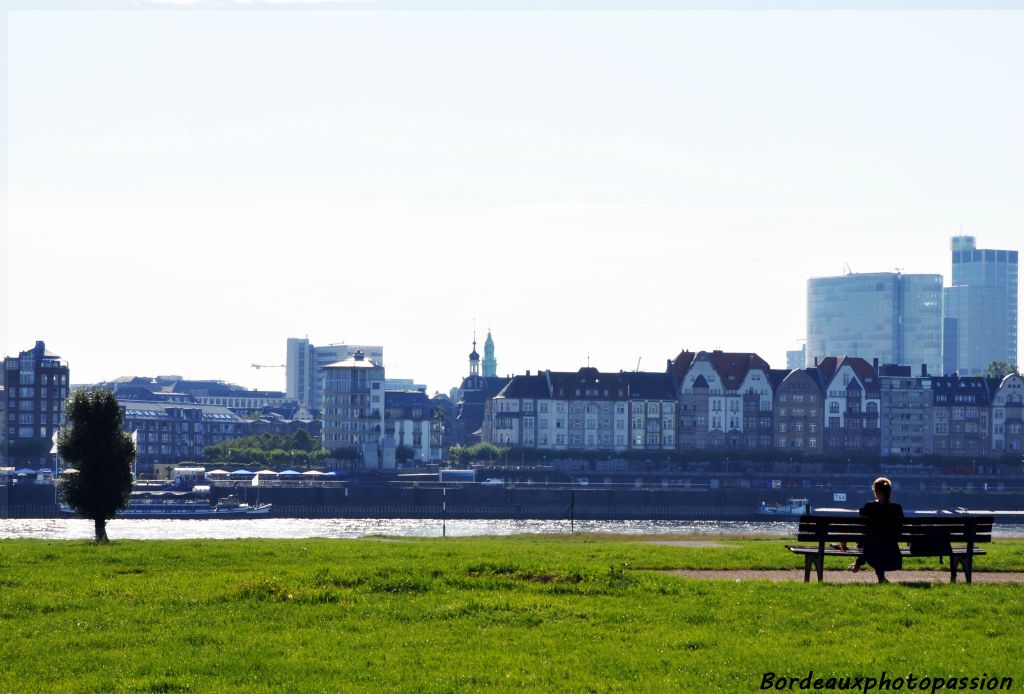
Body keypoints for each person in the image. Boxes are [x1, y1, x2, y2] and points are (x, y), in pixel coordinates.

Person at [847, 477, 904, 583]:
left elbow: (862, 528)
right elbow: (900, 529)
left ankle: (859, 563)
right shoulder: (897, 508)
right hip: (892, 552)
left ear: (876, 492)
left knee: (873, 538)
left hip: (871, 551)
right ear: (889, 492)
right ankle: (878, 576)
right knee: (877, 539)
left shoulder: (869, 507)